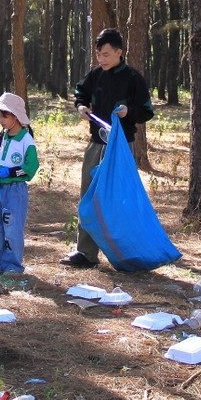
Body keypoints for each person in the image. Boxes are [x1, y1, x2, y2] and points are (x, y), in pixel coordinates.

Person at [61, 28, 154, 269]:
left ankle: (124, 254)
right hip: (96, 143)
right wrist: (81, 106)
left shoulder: (134, 78)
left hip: (122, 148)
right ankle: (85, 253)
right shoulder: (96, 75)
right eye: (99, 55)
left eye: (106, 55)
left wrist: (128, 112)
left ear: (119, 53)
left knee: (119, 200)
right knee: (88, 197)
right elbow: (81, 92)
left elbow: (146, 111)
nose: (101, 60)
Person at [0, 92, 39, 274]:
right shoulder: (2, 136)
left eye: (5, 115)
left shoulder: (25, 139)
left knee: (12, 227)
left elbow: (31, 166)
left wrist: (12, 171)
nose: (1, 120)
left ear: (16, 116)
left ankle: (13, 265)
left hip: (15, 189)